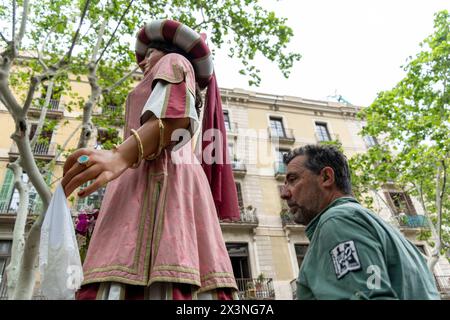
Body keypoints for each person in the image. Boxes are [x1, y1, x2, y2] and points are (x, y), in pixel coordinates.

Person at [61, 19, 240, 300]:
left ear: (166, 51)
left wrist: (120, 155)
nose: (143, 62)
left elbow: (175, 117)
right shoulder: (164, 68)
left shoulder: (174, 60)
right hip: (158, 174)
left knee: (140, 272)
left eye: (150, 54)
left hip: (159, 176)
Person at [280, 144, 440, 300]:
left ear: (326, 177)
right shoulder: (384, 230)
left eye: (293, 179)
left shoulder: (338, 221)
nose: (284, 194)